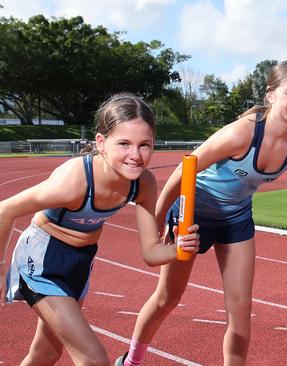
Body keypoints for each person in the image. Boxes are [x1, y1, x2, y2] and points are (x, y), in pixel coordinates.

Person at [116, 60, 287, 366]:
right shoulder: (242, 133)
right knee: (168, 298)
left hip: (235, 219)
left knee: (240, 312)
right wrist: (154, 229)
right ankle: (131, 361)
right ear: (271, 95)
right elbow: (184, 171)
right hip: (192, 211)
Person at [0, 93, 200, 365]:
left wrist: (178, 249)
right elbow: (5, 209)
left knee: (45, 354)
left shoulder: (143, 184)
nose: (135, 155)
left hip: (80, 264)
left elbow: (151, 254)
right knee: (94, 359)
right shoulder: (75, 181)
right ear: (101, 143)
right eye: (124, 144)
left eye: (145, 145)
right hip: (41, 260)